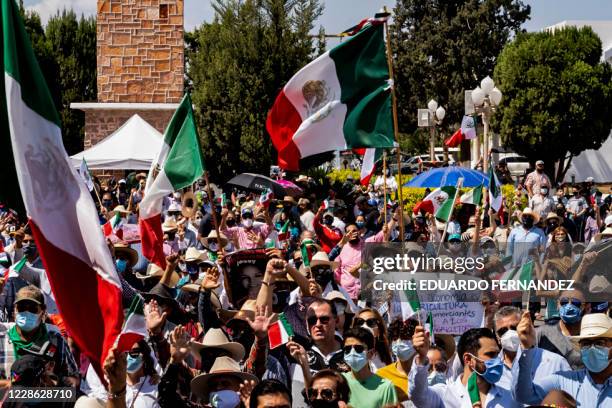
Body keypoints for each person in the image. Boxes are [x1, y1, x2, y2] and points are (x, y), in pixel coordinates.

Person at [514, 312, 612, 406]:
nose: (592, 348)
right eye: (586, 344)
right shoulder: (563, 380)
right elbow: (524, 395)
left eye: (600, 343)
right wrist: (527, 348)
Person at [412, 327, 520, 408]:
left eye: (497, 354)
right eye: (490, 354)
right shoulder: (444, 395)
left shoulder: (510, 398)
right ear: (468, 359)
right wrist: (421, 357)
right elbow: (418, 396)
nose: (497, 360)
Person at [0, 285, 79, 387]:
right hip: (9, 400)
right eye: (21, 308)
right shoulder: (2, 340)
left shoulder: (56, 340)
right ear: (15, 310)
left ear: (43, 311)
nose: (26, 313)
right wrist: (9, 384)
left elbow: (74, 377)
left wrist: (56, 382)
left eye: (32, 309)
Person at [493, 306, 569, 392]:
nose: (509, 333)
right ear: (497, 336)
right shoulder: (491, 370)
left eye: (515, 328)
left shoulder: (555, 363)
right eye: (502, 331)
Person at [341, 327, 398, 408]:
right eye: (347, 349)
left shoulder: (386, 387)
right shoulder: (339, 381)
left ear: (371, 353)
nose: (352, 352)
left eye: (358, 348)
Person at [536, 286, 590, 369]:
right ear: (557, 304)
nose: (569, 307)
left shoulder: (592, 336)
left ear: (587, 307)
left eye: (575, 303)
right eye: (564, 302)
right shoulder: (541, 333)